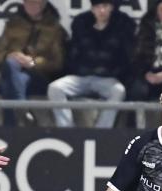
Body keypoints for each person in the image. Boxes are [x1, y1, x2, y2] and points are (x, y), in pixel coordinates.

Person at [47, 0, 135, 129]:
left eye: (105, 6)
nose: (102, 11)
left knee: (118, 90)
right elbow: (73, 53)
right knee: (55, 88)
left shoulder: (122, 24)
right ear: (92, 9)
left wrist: (114, 72)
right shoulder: (81, 23)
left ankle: (102, 130)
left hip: (107, 78)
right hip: (81, 76)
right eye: (98, 7)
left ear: (111, 7)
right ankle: (65, 128)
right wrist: (78, 68)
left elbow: (126, 57)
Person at [0, 0, 66, 127]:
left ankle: (11, 125)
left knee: (7, 87)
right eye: (28, 2)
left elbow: (58, 63)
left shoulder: (54, 28)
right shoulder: (13, 25)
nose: (31, 6)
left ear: (43, 4)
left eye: (35, 3)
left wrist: (33, 62)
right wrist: (11, 55)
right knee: (11, 66)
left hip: (38, 77)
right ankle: (22, 110)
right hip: (12, 73)